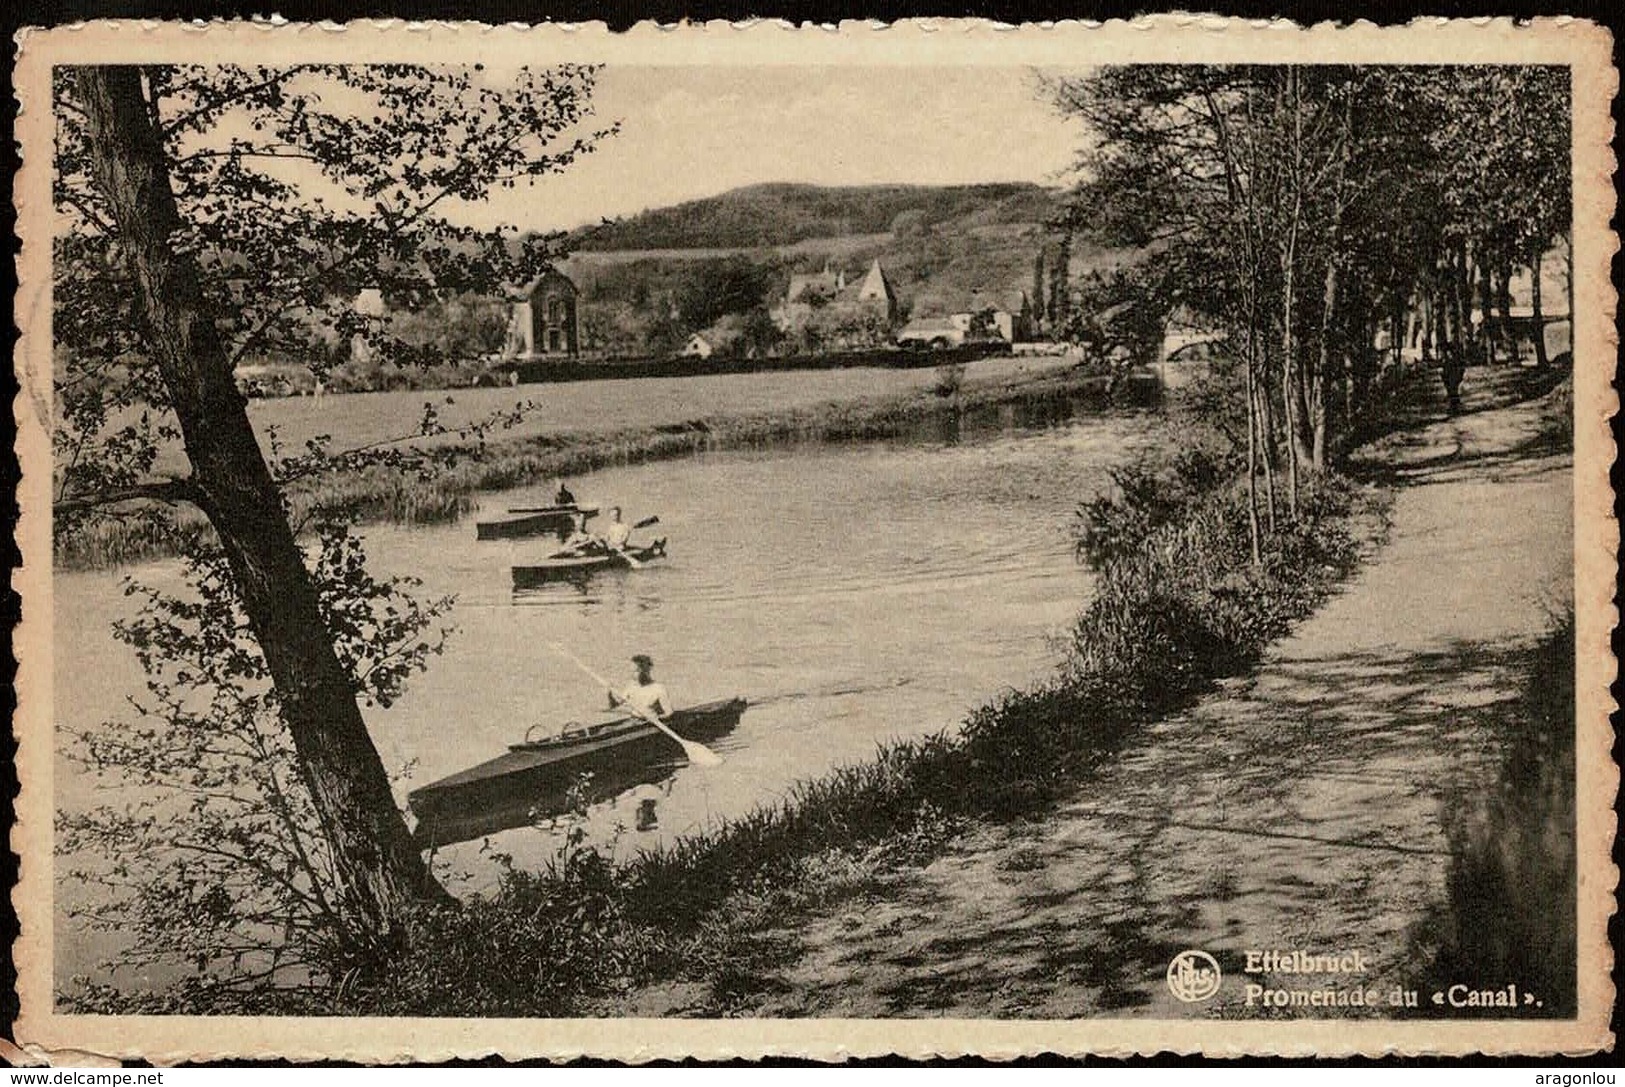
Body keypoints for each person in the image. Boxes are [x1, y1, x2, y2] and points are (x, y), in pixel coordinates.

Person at [608, 654, 671, 720]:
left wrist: (656, 718)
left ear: (645, 671)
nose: (632, 675)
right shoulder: (631, 686)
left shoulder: (659, 688)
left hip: (650, 725)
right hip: (634, 721)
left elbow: (669, 713)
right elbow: (614, 706)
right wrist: (610, 695)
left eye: (636, 671)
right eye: (631, 671)